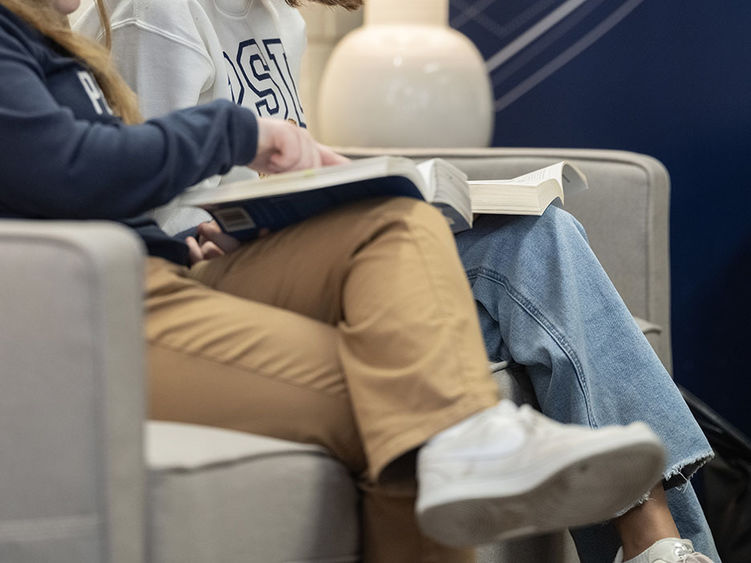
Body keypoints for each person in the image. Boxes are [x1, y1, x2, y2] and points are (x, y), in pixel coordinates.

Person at [0, 1, 671, 562]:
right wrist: (237, 134)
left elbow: (103, 179)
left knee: (403, 220)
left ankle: (643, 533)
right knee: (408, 402)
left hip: (173, 270)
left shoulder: (51, 45)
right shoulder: (85, 27)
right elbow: (72, 170)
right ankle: (479, 436)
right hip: (110, 301)